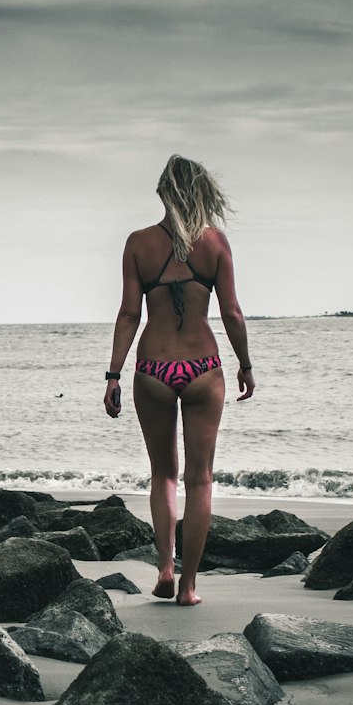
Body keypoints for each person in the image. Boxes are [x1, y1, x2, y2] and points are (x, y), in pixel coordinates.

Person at [103, 154, 255, 605]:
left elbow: (130, 313)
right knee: (201, 479)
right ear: (203, 193)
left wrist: (113, 374)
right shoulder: (215, 243)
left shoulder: (138, 243)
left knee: (164, 475)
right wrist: (246, 364)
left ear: (162, 193)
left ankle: (165, 568)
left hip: (152, 368)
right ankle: (188, 587)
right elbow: (231, 312)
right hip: (203, 369)